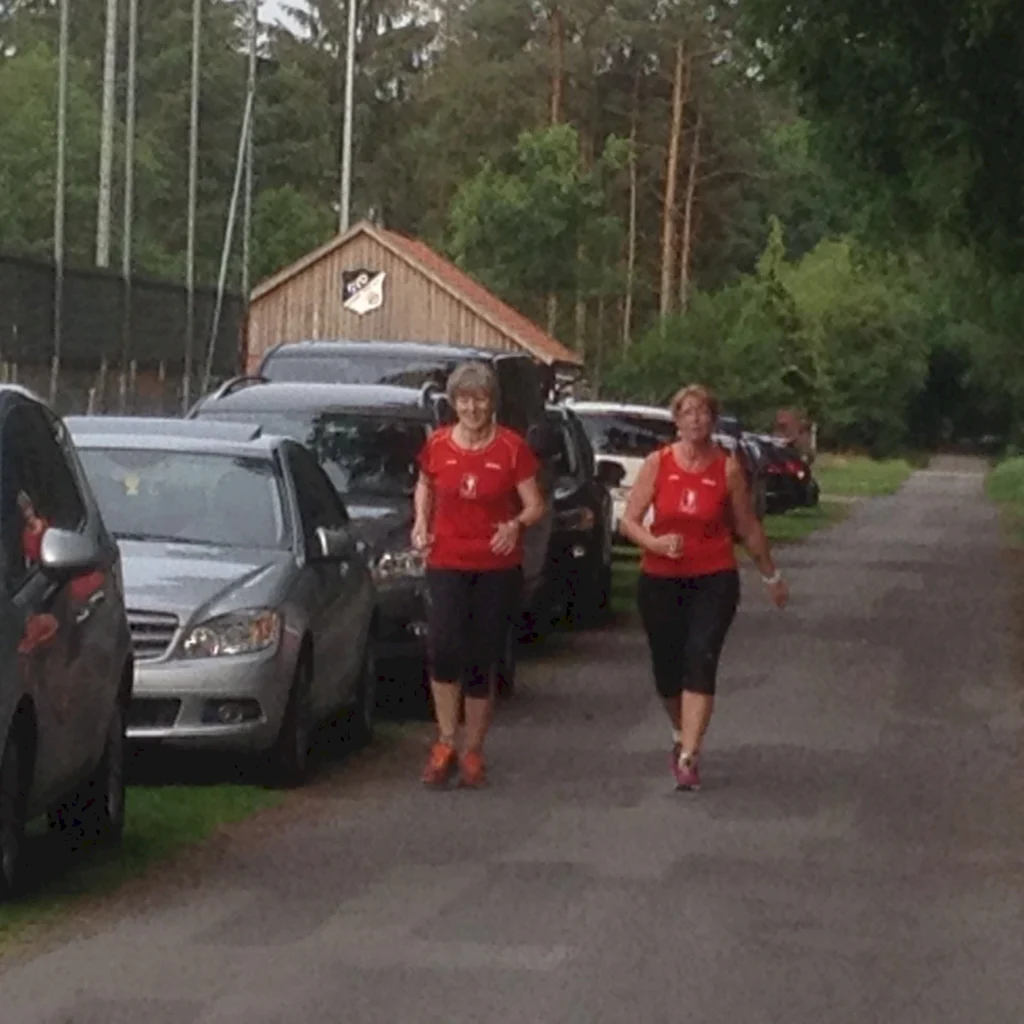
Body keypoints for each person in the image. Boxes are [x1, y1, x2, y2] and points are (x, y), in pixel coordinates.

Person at [620, 385, 789, 791]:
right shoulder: (658, 464)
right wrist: (655, 543)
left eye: (703, 413)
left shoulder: (727, 468)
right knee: (667, 670)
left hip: (713, 577)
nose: (696, 420)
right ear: (676, 421)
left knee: (701, 656)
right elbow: (629, 520)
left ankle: (689, 754)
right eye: (688, 413)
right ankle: (682, 731)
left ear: (713, 420)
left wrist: (770, 575)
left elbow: (747, 525)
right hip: (660, 577)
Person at [412, 362, 545, 788]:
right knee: (444, 647)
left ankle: (473, 749)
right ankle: (445, 740)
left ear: (492, 402)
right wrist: (420, 522)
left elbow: (535, 504)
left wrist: (515, 525)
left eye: (480, 399)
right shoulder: (437, 445)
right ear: (453, 404)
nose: (472, 407)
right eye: (464, 399)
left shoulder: (511, 447)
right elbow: (426, 484)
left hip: (495, 566)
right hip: (447, 560)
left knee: (480, 657)